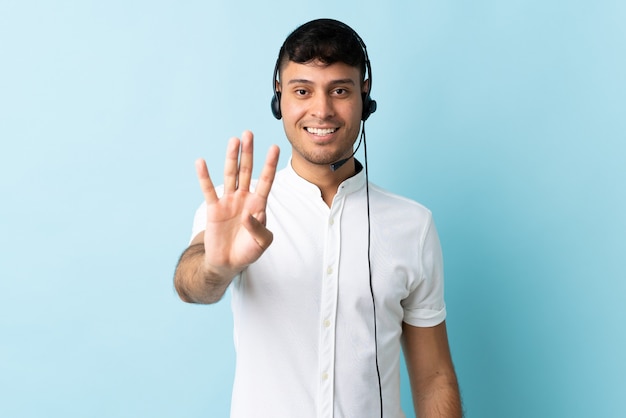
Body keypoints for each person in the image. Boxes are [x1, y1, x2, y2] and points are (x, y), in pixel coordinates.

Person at [174, 18, 462, 418]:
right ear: (279, 99)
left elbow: (434, 378)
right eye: (302, 91)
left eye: (340, 90)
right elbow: (192, 285)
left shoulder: (413, 225)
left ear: (365, 98)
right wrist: (217, 266)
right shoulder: (237, 208)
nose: (322, 110)